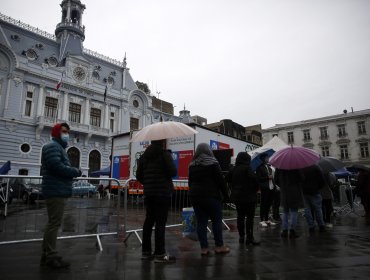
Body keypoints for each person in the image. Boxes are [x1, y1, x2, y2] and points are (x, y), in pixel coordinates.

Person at [41, 123, 81, 269]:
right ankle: (50, 256)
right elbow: (56, 166)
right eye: (64, 131)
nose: (67, 134)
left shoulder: (58, 147)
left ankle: (47, 254)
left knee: (53, 223)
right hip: (55, 190)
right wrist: (75, 171)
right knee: (54, 224)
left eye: (68, 132)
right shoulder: (53, 147)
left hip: (56, 189)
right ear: (57, 132)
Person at [136, 139, 177, 263]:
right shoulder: (165, 154)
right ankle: (160, 254)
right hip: (163, 193)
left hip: (149, 193)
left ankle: (146, 252)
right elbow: (173, 172)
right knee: (160, 223)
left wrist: (148, 183)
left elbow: (138, 175)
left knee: (149, 221)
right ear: (163, 142)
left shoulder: (144, 157)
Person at [188, 143, 230, 255]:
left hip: (196, 197)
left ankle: (204, 249)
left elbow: (190, 182)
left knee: (201, 222)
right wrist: (226, 196)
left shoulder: (192, 164)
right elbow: (221, 181)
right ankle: (219, 246)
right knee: (216, 221)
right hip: (211, 196)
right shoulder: (213, 163)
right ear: (208, 151)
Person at [227, 152, 260, 245]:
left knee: (240, 217)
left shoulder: (234, 169)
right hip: (249, 197)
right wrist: (255, 188)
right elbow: (254, 179)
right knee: (250, 218)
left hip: (237, 197)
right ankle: (250, 238)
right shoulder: (247, 168)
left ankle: (241, 237)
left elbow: (227, 178)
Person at [274, 168, 304, 238]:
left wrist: (283, 185)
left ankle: (284, 231)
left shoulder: (279, 167)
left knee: (285, 211)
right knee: (294, 211)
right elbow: (302, 178)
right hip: (295, 191)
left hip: (284, 191)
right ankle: (292, 231)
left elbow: (276, 180)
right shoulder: (296, 166)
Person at [301, 165, 326, 234]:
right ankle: (321, 225)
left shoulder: (300, 168)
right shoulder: (316, 167)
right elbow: (322, 180)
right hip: (315, 191)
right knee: (318, 209)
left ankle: (311, 226)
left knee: (307, 209)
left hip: (304, 192)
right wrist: (318, 187)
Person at [256, 154, 276, 227]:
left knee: (268, 204)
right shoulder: (259, 168)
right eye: (267, 158)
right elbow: (259, 179)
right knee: (263, 204)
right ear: (263, 159)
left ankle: (267, 219)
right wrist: (267, 177)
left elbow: (272, 178)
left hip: (271, 187)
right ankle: (262, 220)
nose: (268, 159)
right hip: (264, 188)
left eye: (268, 157)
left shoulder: (269, 167)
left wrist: (275, 185)